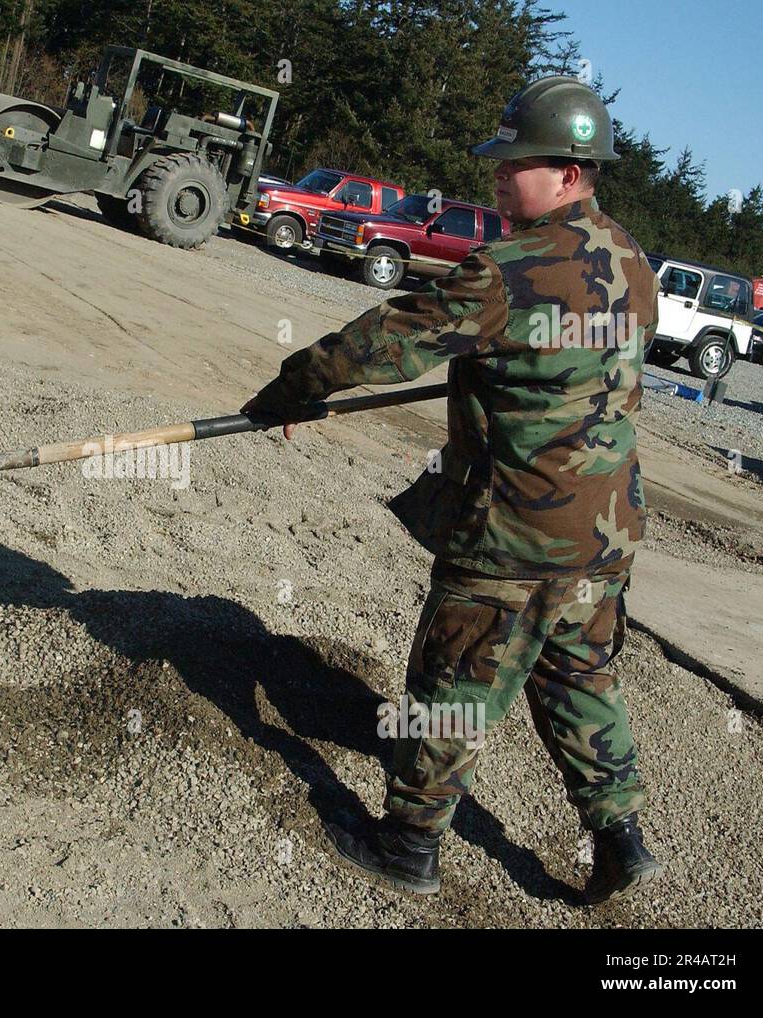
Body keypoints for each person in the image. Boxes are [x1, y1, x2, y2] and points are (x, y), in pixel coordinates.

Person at [241, 76, 665, 905]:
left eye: (517, 165)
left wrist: (293, 390)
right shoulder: (632, 261)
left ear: (573, 173)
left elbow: (387, 340)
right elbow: (576, 371)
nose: (499, 178)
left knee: (455, 682)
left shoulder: (509, 270)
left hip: (515, 532)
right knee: (579, 681)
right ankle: (622, 839)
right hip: (603, 534)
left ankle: (408, 845)